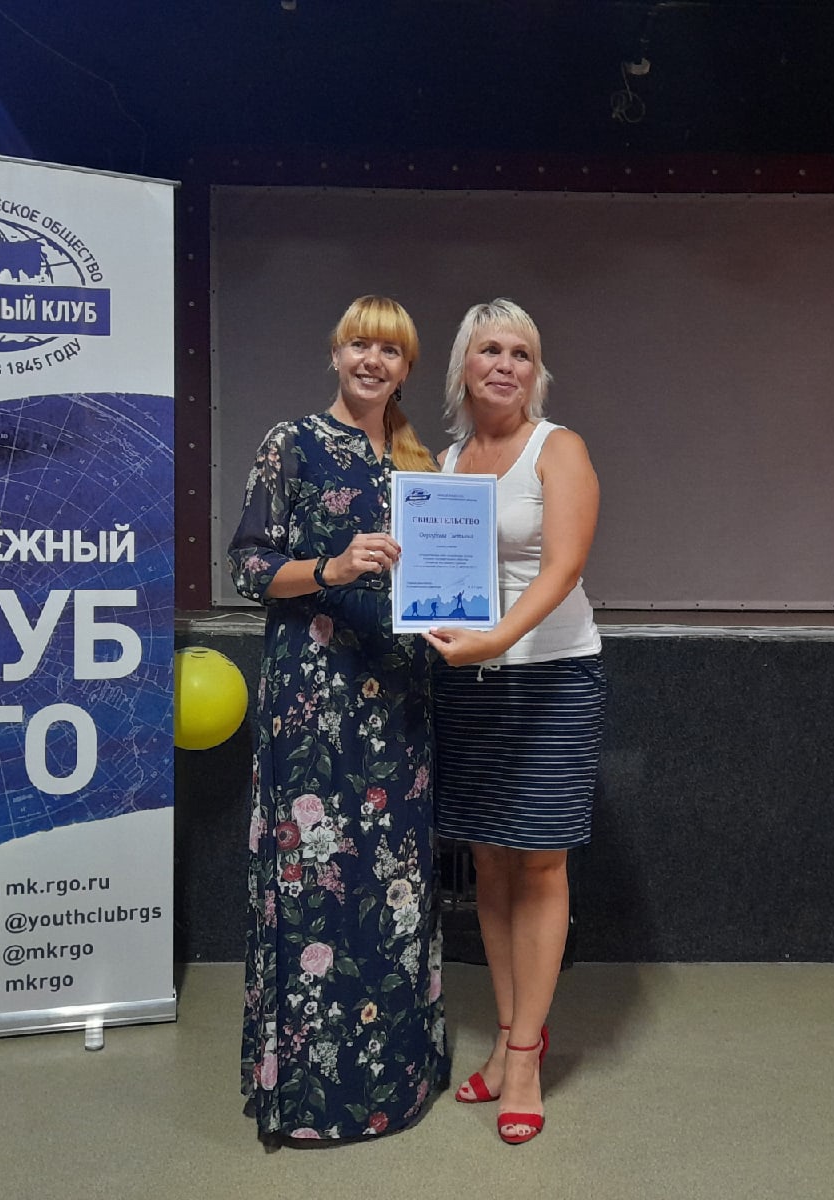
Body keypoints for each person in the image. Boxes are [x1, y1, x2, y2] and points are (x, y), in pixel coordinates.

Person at [229, 296, 449, 1141]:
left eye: (390, 351)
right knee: (313, 880)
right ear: (335, 353)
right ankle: (311, 1098)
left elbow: (447, 576)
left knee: (395, 885)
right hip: (313, 698)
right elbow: (249, 566)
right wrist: (332, 566)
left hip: (400, 696)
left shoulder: (423, 463)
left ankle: (397, 1083)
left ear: (406, 369)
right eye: (359, 344)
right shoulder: (290, 443)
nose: (372, 361)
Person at [422, 298, 606, 1147]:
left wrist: (497, 639)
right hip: (468, 682)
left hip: (551, 677)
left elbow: (564, 566)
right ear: (463, 365)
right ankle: (505, 1036)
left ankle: (526, 1057)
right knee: (489, 861)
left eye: (521, 353)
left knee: (539, 860)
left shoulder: (557, 448)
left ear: (537, 372)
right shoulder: (445, 463)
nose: (505, 365)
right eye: (490, 349)